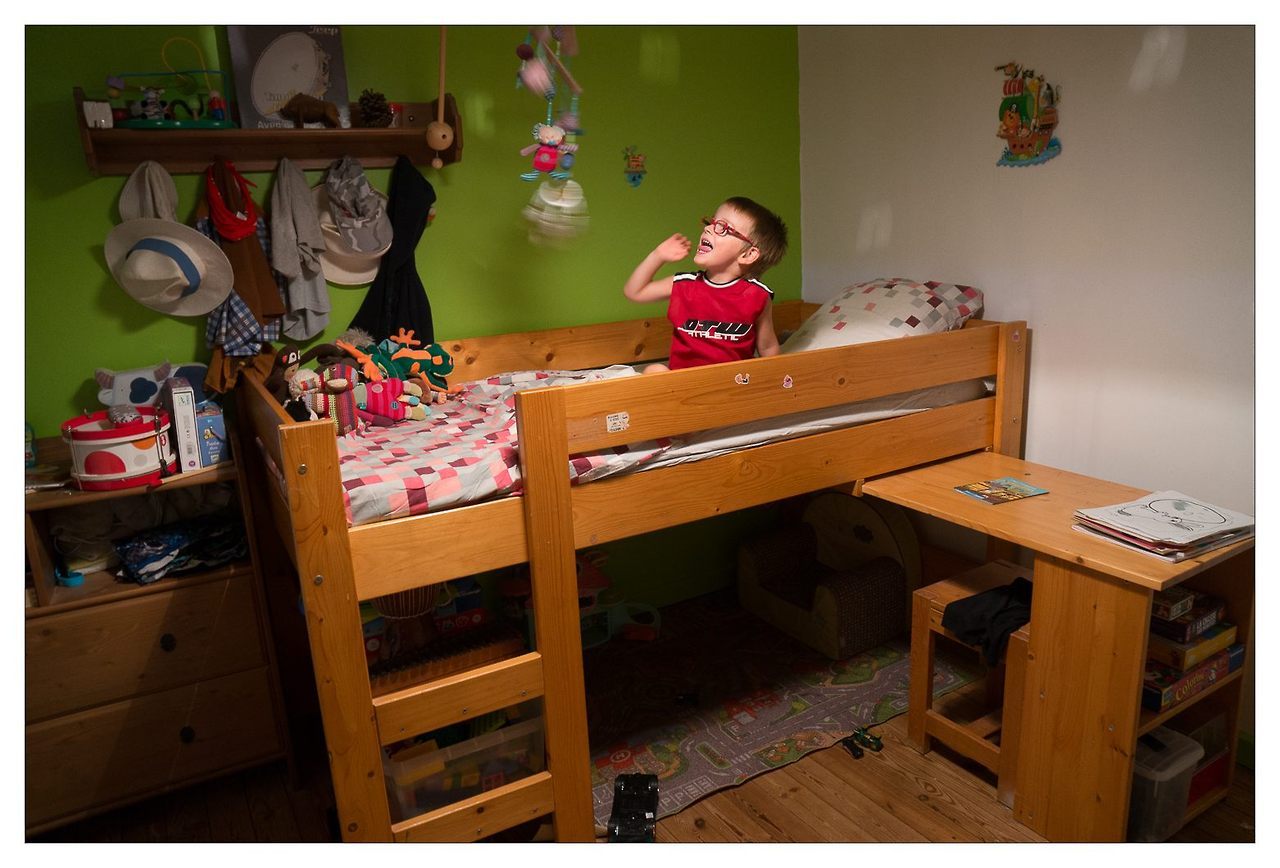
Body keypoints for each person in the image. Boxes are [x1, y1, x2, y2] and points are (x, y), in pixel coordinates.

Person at [623, 196, 788, 372]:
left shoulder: (758, 296)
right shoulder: (684, 284)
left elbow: (768, 347)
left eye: (723, 227)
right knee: (654, 370)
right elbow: (635, 292)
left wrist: (776, 379)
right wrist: (658, 255)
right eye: (711, 222)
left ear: (748, 255)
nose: (708, 228)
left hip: (734, 382)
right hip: (684, 382)